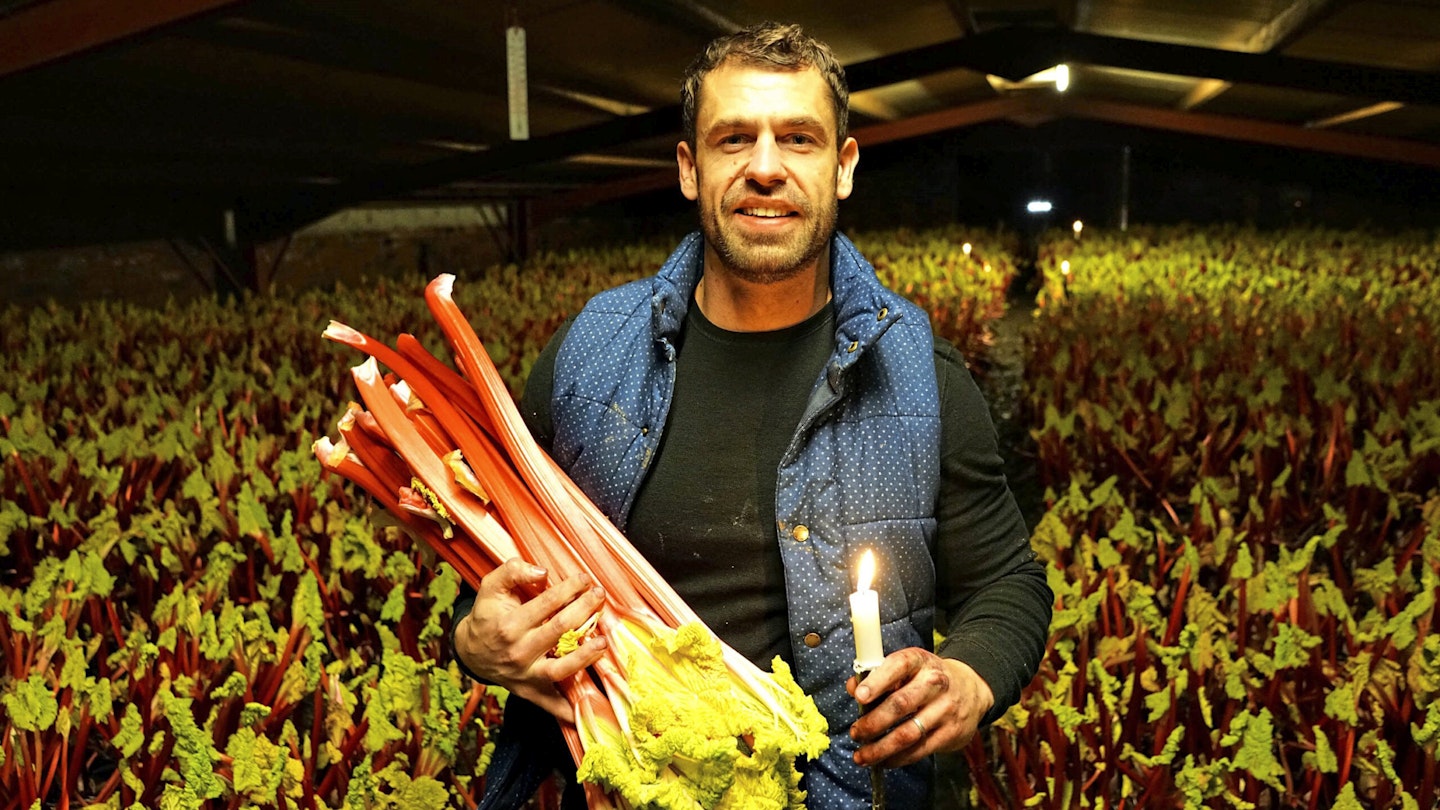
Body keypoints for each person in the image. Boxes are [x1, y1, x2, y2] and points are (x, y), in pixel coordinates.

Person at [452, 21, 1053, 809]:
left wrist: (970, 678)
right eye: (734, 139)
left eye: (798, 140)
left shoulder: (919, 375)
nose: (765, 168)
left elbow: (1009, 580)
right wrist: (473, 637)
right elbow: (488, 572)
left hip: (849, 792)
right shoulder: (586, 361)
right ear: (689, 169)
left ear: (843, 169)